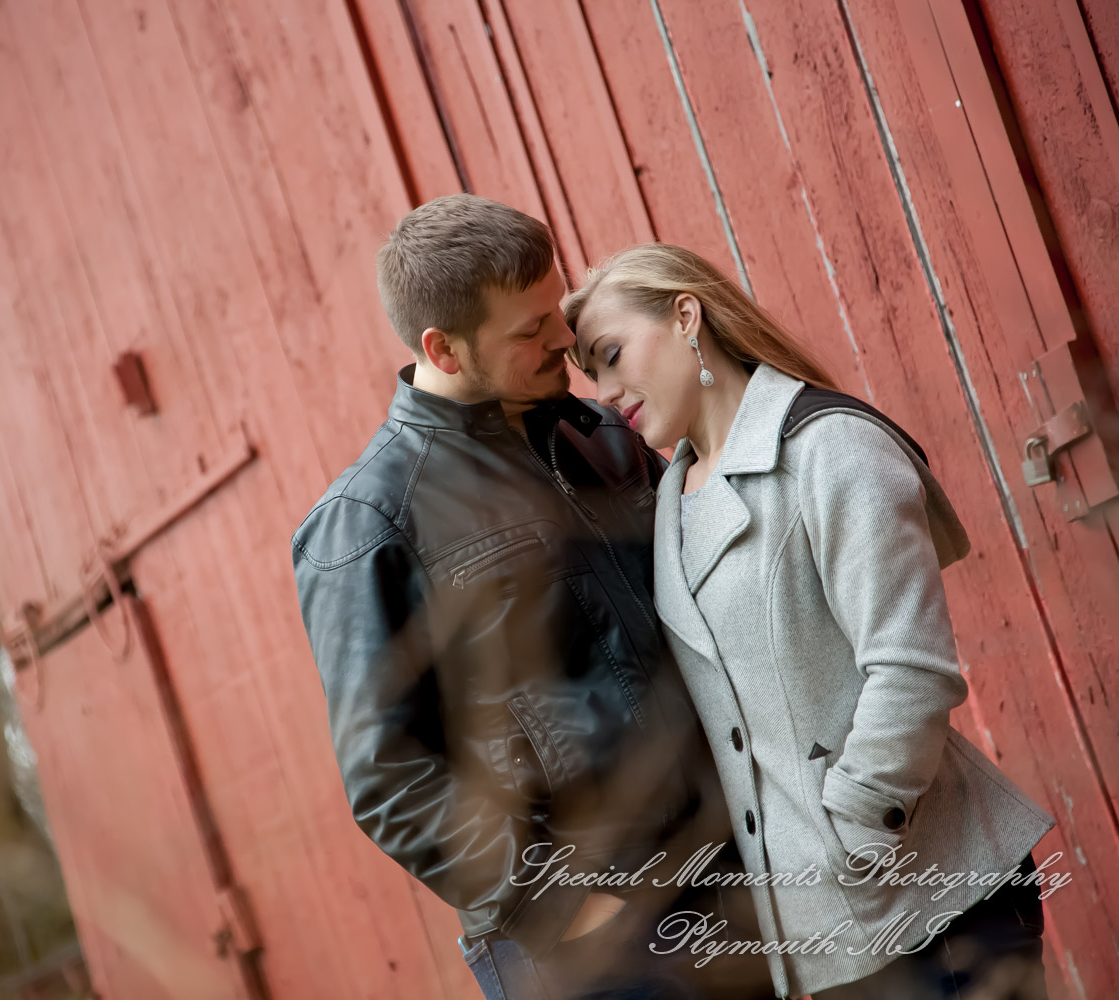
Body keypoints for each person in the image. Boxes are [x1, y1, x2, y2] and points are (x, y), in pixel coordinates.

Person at [291, 195, 775, 1000]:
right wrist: (564, 908)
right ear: (441, 346)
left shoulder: (608, 433)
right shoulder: (369, 523)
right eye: (529, 329)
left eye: (556, 307)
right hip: (595, 944)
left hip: (733, 876)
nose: (565, 336)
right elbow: (388, 775)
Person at [562, 242, 1057, 1000]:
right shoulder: (669, 501)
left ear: (687, 317)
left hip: (931, 904)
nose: (604, 389)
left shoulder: (830, 449)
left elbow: (912, 670)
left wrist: (853, 837)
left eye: (612, 353)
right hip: (820, 940)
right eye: (590, 372)